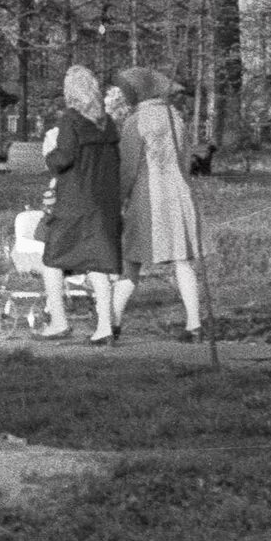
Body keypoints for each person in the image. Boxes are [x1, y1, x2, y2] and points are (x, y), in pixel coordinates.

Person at [111, 67, 208, 342]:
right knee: (182, 261)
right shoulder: (175, 118)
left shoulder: (136, 121)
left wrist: (118, 200)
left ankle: (112, 321)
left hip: (147, 195)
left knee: (131, 260)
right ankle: (195, 324)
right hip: (178, 192)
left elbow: (128, 168)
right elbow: (185, 161)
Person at [39, 65, 123, 344]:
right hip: (105, 202)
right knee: (98, 263)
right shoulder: (108, 123)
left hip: (75, 201)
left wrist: (50, 150)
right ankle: (105, 329)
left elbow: (62, 160)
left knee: (52, 259)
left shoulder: (70, 121)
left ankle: (59, 321)